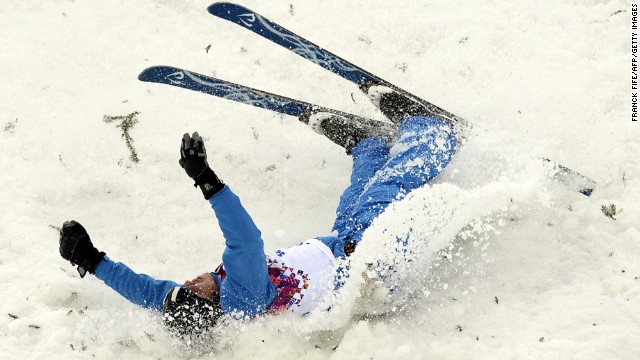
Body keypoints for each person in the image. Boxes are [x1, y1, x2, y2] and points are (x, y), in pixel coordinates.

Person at [58, 89, 458, 335]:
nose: (189, 282)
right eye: (194, 290)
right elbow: (245, 238)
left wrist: (90, 259)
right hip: (373, 257)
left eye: (184, 287)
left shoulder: (204, 308)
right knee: (387, 191)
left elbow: (145, 291)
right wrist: (205, 179)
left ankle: (369, 146)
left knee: (355, 197)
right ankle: (433, 134)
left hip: (340, 245)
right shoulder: (241, 293)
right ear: (210, 305)